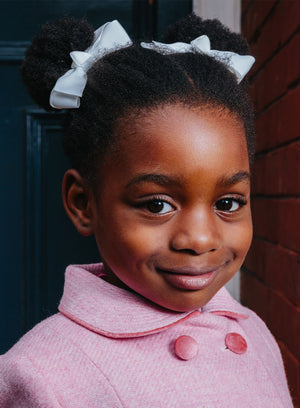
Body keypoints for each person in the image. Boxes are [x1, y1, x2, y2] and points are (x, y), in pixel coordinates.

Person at [0, 13, 293, 407]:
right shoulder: (41, 373)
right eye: (157, 204)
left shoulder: (253, 330)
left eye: (228, 203)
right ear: (83, 203)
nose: (200, 239)